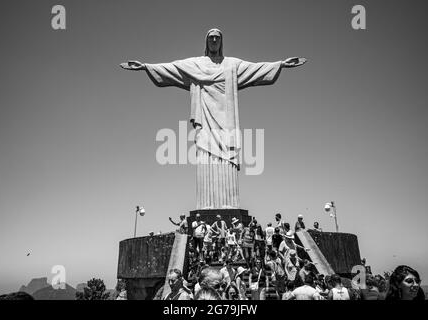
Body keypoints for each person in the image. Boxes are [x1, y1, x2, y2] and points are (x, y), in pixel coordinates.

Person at [120, 29, 307, 210]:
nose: (214, 41)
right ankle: (205, 205)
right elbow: (172, 68)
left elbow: (256, 68)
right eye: (211, 38)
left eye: (218, 38)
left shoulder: (232, 65)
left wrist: (280, 64)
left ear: (222, 42)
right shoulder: (196, 65)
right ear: (206, 42)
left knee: (227, 157)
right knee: (205, 156)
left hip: (227, 120)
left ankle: (230, 204)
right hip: (205, 118)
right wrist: (146, 67)